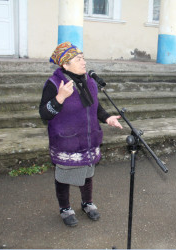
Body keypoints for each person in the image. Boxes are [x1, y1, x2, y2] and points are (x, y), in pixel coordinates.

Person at [39, 42, 123, 227]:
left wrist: (107, 118)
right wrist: (60, 97)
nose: (83, 62)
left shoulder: (90, 81)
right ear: (65, 65)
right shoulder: (54, 84)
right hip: (66, 142)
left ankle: (87, 203)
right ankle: (65, 208)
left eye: (83, 57)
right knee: (64, 176)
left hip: (88, 139)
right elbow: (44, 114)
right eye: (78, 59)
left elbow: (95, 108)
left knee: (87, 173)